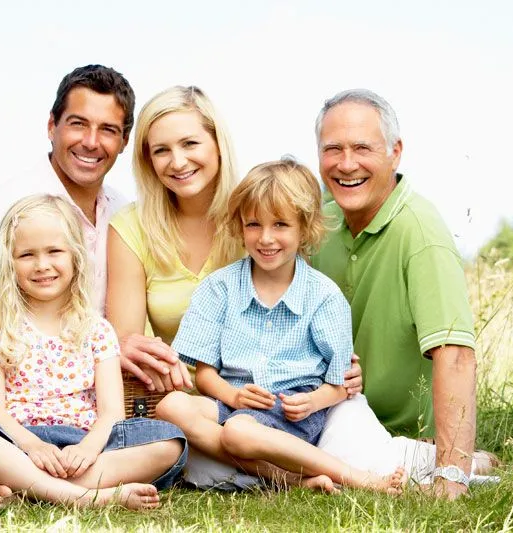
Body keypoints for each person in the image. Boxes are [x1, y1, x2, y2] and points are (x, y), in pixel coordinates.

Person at [157, 159, 407, 494]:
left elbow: (339, 384)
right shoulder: (219, 289)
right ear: (240, 226)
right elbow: (204, 375)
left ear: (304, 229)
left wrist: (313, 402)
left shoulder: (323, 296)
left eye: (280, 225)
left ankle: (354, 477)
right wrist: (233, 394)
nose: (266, 238)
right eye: (254, 225)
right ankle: (293, 481)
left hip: (295, 411)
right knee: (169, 406)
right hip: (236, 403)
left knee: (238, 432)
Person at [0, 195, 187, 509]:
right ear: (8, 264)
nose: (42, 265)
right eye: (26, 254)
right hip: (14, 444)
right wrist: (31, 445)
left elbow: (112, 413)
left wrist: (88, 449)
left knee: (170, 443)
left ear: (75, 257)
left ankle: (25, 489)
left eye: (54, 251)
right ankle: (79, 498)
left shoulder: (97, 329)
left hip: (83, 446)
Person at [310, 89, 478, 499]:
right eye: (333, 149)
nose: (346, 164)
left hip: (397, 434)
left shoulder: (420, 231)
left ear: (395, 152)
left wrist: (451, 479)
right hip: (325, 417)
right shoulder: (316, 225)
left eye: (362, 148)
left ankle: (451, 460)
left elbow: (455, 354)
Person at [0, 65, 133, 321]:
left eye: (108, 130)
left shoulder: (123, 213)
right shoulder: (7, 207)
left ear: (125, 141)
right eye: (78, 124)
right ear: (52, 126)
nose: (90, 142)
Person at [106, 85, 241, 393]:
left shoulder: (257, 215)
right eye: (161, 150)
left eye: (190, 143)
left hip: (259, 397)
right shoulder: (130, 227)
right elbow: (129, 340)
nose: (178, 162)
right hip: (170, 401)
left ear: (218, 144)